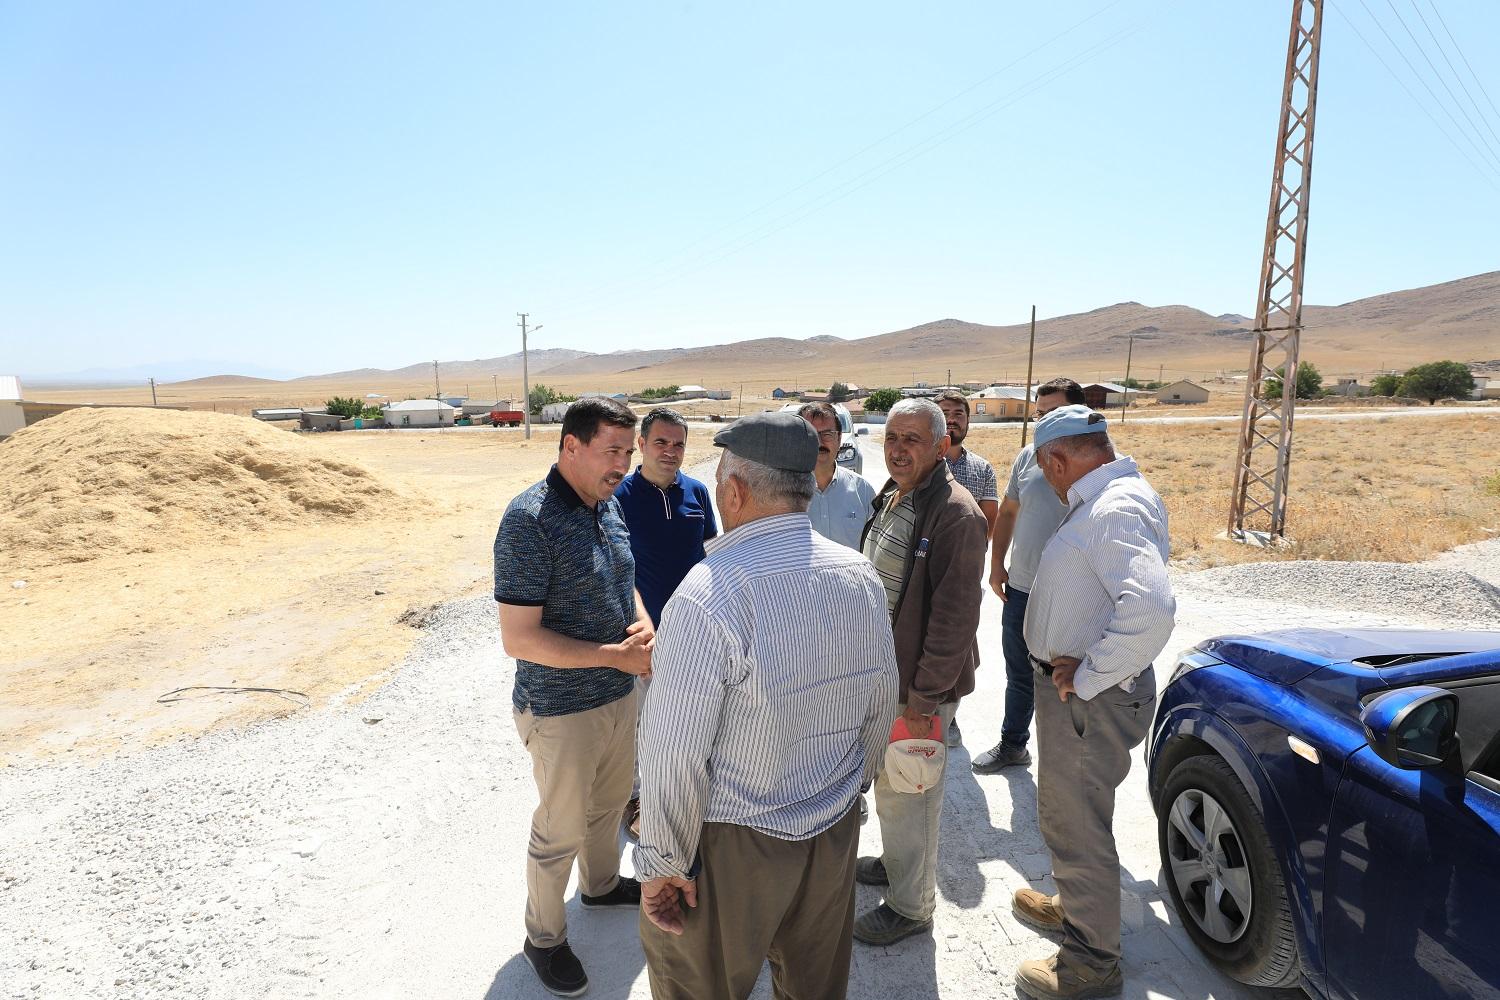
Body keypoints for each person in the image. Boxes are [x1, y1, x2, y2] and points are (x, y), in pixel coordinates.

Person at [635, 411, 898, 1000]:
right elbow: (883, 699)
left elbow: (674, 753)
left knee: (697, 985)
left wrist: (662, 863)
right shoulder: (858, 575)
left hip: (734, 844)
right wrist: (850, 788)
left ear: (733, 491)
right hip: (832, 828)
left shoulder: (709, 593)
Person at [1011, 404, 1175, 1000]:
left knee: (1075, 821)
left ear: (1056, 460)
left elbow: (1151, 610)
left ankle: (1090, 960)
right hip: (1080, 697)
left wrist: (1089, 675)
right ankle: (1079, 905)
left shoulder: (1114, 508)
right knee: (1077, 813)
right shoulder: (1107, 498)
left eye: (1044, 472)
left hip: (1088, 702)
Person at [493, 396, 655, 998]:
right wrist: (615, 656)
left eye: (628, 452)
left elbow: (625, 580)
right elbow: (519, 638)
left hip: (617, 694)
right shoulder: (528, 520)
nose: (623, 464)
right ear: (571, 446)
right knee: (559, 830)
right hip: (560, 709)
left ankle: (601, 885)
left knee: (608, 806)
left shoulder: (607, 505)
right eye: (612, 451)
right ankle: (543, 938)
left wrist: (643, 623)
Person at [853, 398, 987, 946]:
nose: (898, 449)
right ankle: (895, 863)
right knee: (893, 787)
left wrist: (924, 697)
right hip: (887, 675)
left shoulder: (956, 514)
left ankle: (912, 907)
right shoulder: (896, 493)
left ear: (942, 446)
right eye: (891, 438)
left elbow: (955, 618)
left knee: (914, 792)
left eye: (912, 439)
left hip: (918, 686)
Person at [614, 407, 719, 839]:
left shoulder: (697, 492)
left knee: (690, 717)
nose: (670, 451)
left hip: (693, 631)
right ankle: (635, 798)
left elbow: (712, 555)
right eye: (661, 442)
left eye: (678, 444)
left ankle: (685, 792)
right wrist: (639, 627)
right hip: (642, 634)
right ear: (641, 444)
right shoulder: (618, 497)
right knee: (640, 722)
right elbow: (615, 569)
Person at [972, 377, 1086, 774]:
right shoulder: (1029, 456)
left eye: (1055, 413)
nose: (1046, 422)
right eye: (1040, 415)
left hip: (1074, 594)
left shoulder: (1097, 463)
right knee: (1019, 673)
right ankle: (1013, 744)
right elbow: (1007, 512)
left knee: (1069, 677)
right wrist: (996, 564)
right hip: (1022, 588)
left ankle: (1069, 761)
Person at [933, 389, 1001, 749]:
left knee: (959, 642)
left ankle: (950, 713)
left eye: (959, 413)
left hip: (964, 573)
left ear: (968, 421)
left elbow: (989, 521)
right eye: (944, 412)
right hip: (923, 569)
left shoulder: (981, 469)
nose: (952, 419)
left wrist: (966, 550)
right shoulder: (923, 462)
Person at [800, 401, 876, 550]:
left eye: (827, 434)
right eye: (810, 434)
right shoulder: (780, 494)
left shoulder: (863, 491)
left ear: (839, 438)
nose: (819, 442)